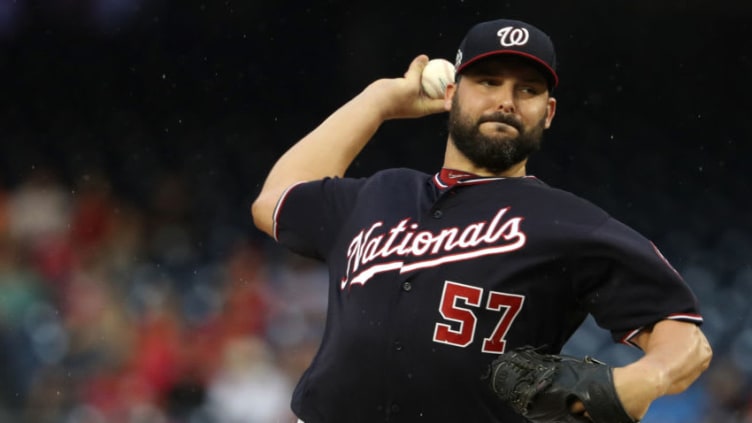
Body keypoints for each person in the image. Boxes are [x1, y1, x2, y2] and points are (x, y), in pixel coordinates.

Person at [251, 18, 712, 423]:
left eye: (527, 90)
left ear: (547, 113)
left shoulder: (570, 223)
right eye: (487, 82)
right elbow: (274, 200)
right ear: (450, 93)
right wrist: (377, 102)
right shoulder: (378, 194)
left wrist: (643, 380)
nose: (506, 101)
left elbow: (684, 336)